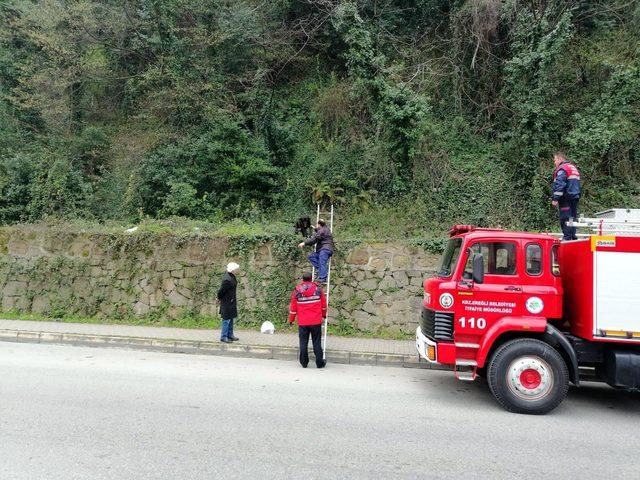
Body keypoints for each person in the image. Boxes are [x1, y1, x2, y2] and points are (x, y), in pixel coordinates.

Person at [288, 272, 327, 369]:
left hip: (303, 322)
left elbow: (293, 308)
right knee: (317, 342)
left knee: (303, 342)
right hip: (316, 321)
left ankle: (304, 363)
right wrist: (324, 315)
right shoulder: (318, 289)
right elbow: (323, 305)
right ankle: (319, 363)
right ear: (311, 278)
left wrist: (291, 320)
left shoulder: (297, 291)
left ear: (302, 279)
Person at [551, 152, 581, 241]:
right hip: (574, 196)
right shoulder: (572, 167)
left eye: (555, 160)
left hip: (566, 198)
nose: (554, 162)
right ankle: (572, 235)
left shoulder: (562, 169)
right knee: (572, 217)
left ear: (560, 159)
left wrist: (555, 198)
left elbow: (560, 184)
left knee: (565, 217)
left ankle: (567, 237)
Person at [298, 219, 334, 283]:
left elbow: (315, 239)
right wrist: (315, 229)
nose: (315, 225)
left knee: (322, 262)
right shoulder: (324, 230)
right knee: (311, 256)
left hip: (325, 249)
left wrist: (304, 243)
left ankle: (323, 278)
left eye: (316, 224)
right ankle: (320, 270)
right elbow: (319, 234)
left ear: (319, 225)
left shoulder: (323, 230)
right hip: (322, 250)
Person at [217, 262, 240, 343]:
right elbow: (221, 291)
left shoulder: (232, 276)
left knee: (231, 318)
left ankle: (230, 335)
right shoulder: (227, 279)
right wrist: (219, 298)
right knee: (226, 319)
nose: (237, 270)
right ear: (232, 269)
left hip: (231, 301)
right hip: (226, 302)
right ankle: (223, 336)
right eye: (236, 269)